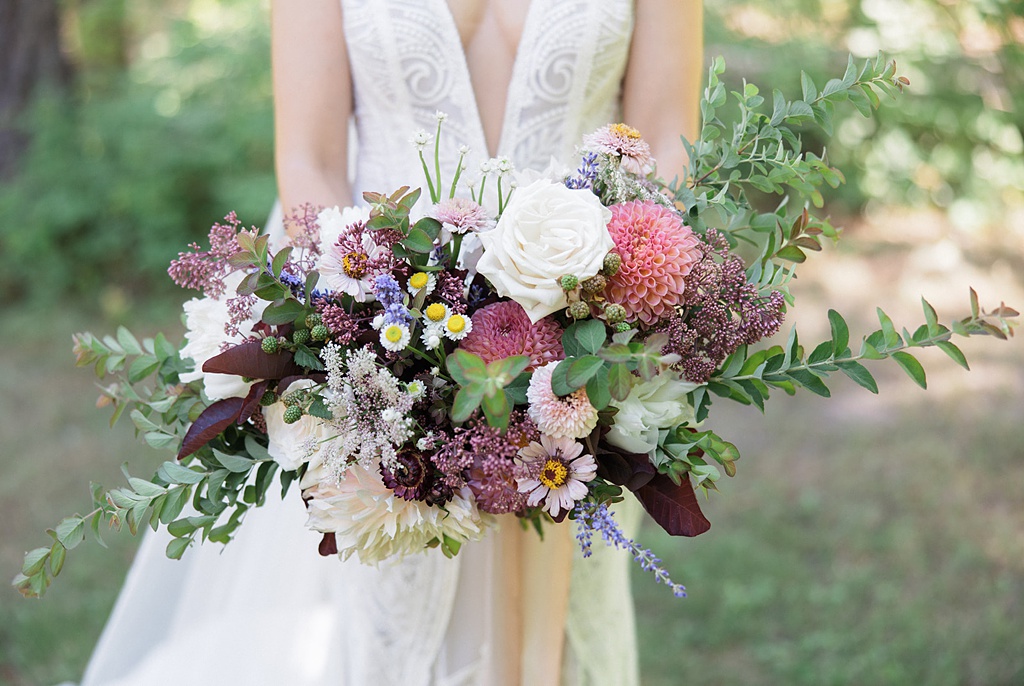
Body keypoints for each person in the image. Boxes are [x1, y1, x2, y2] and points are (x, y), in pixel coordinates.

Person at [78, 2, 703, 684]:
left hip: (586, 360)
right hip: (392, 361)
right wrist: (382, 363)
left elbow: (669, 147)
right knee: (399, 628)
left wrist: (606, 332)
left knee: (574, 623)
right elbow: (309, 162)